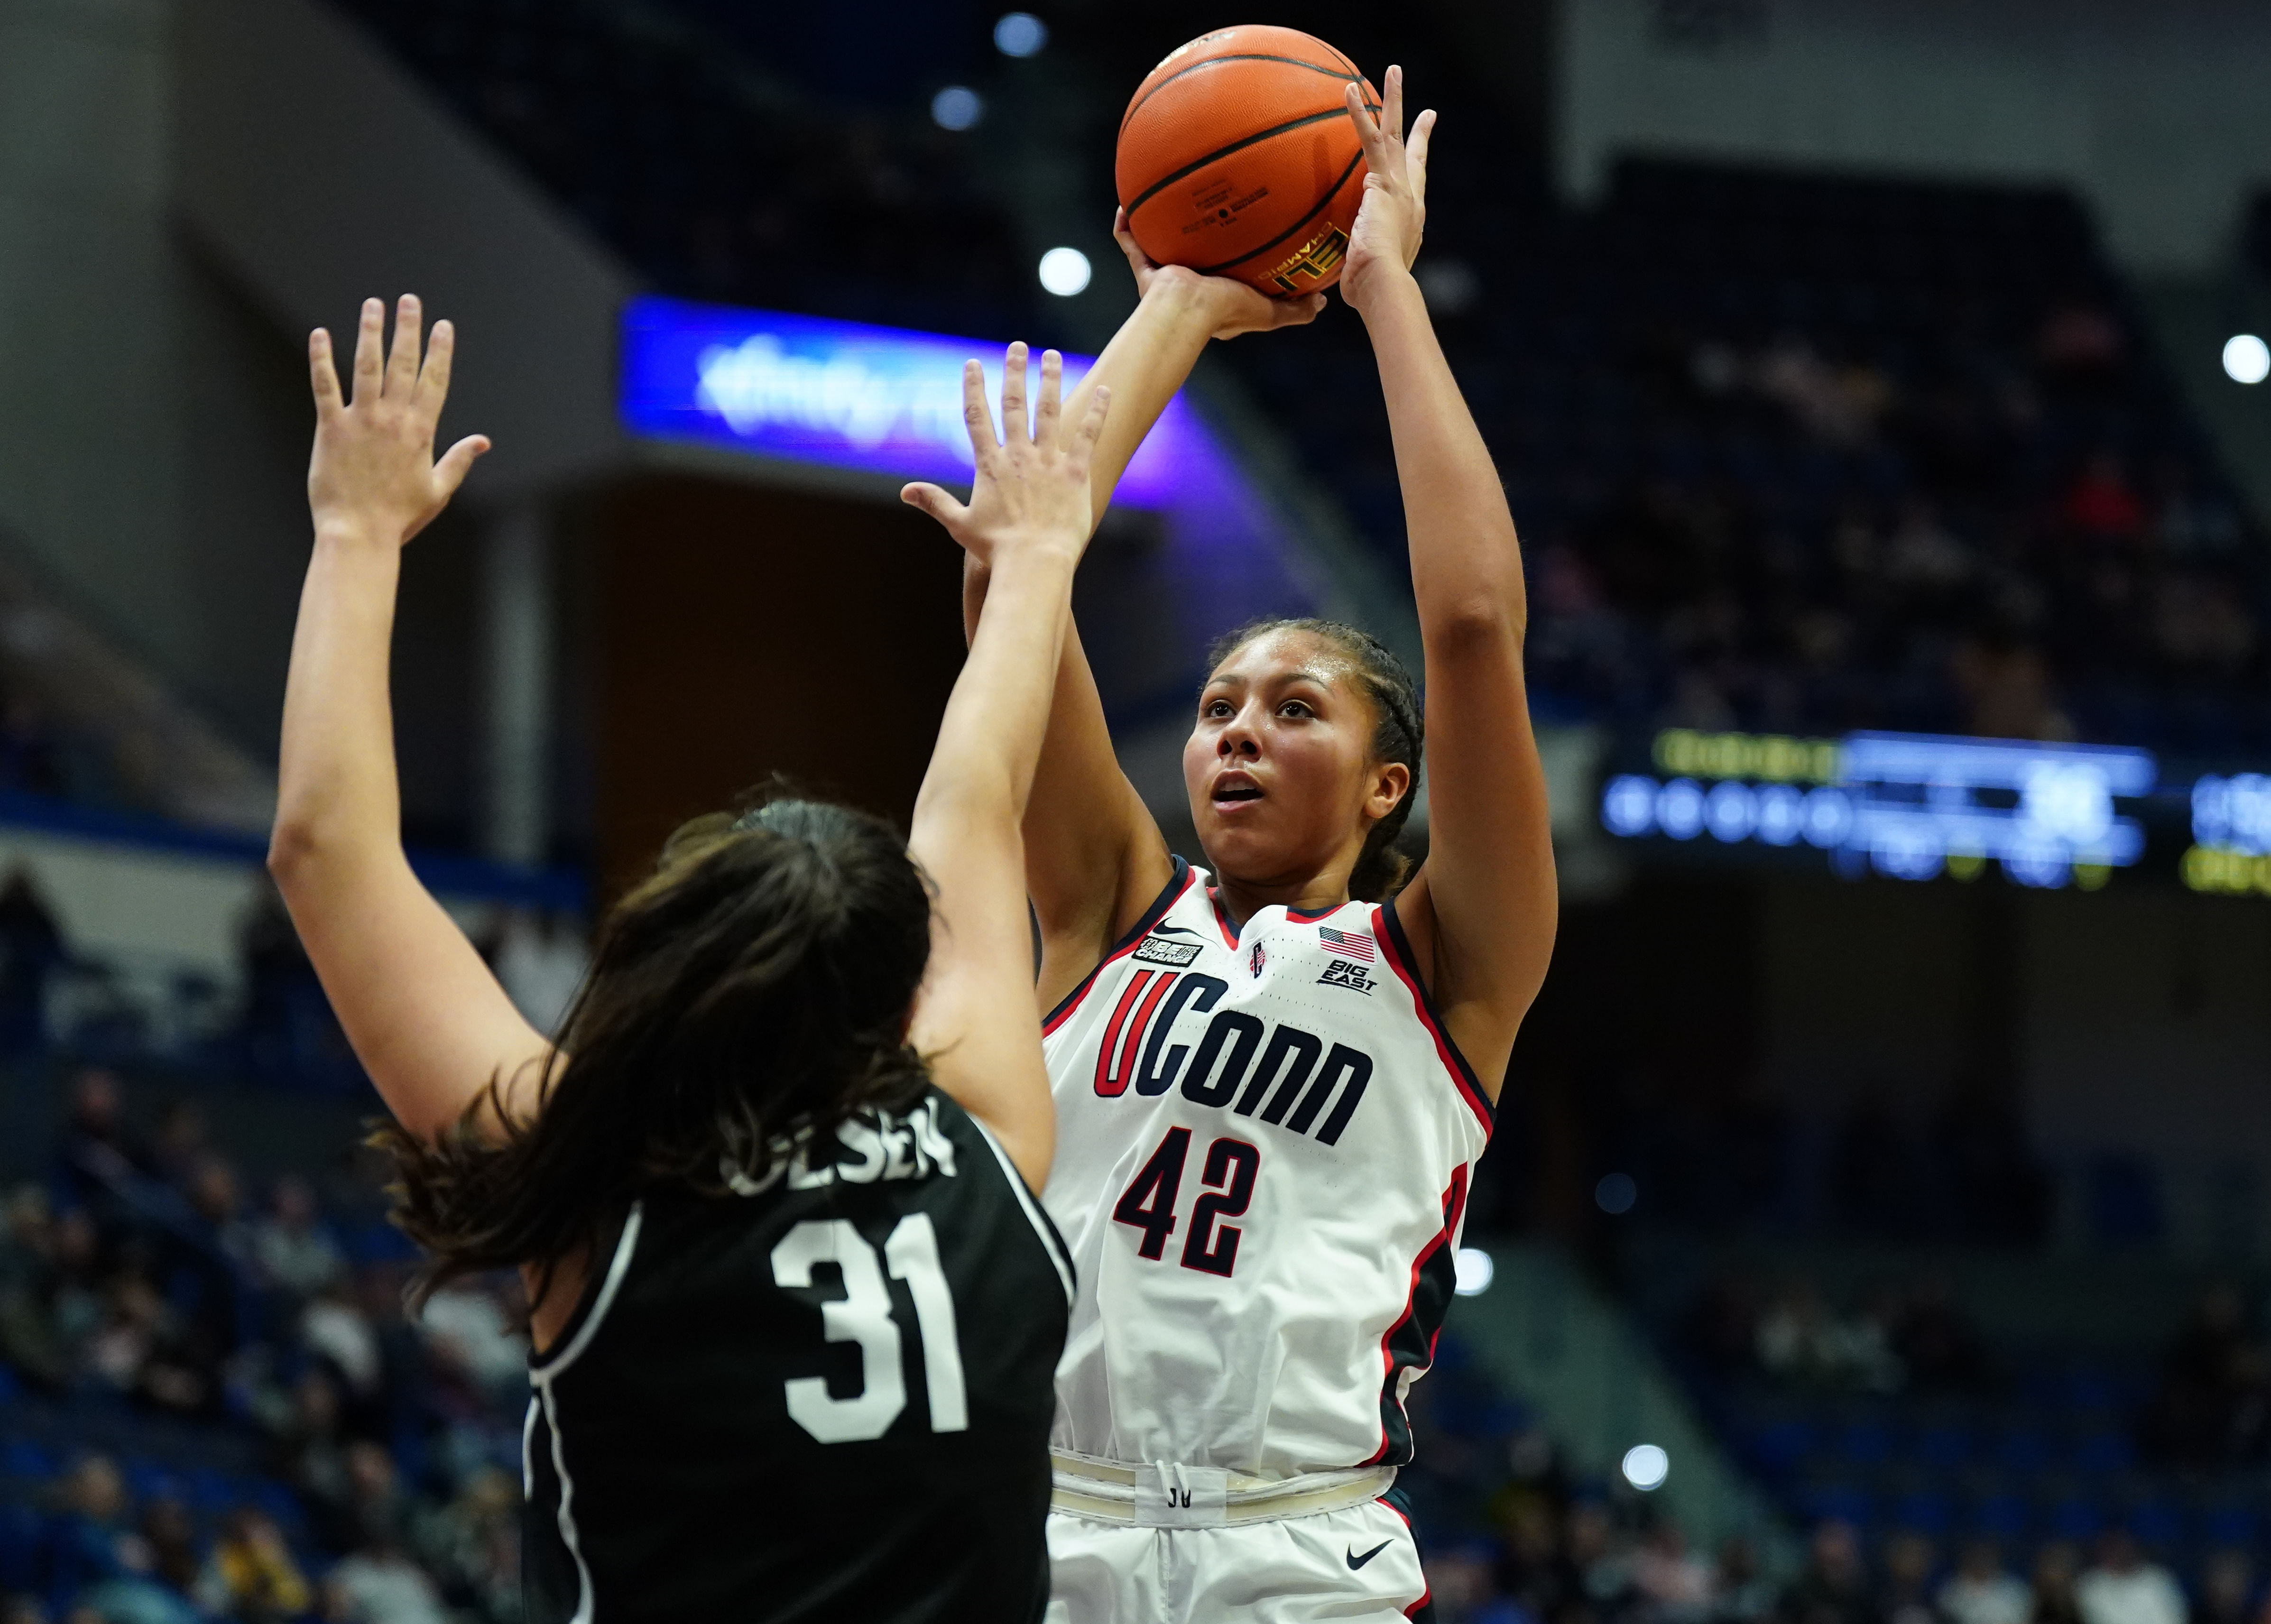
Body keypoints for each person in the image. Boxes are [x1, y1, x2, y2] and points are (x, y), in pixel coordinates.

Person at [267, 295, 1105, 1620]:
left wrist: (355, 534)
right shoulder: (988, 1135)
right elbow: (974, 807)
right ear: (903, 993)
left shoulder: (588, 1181)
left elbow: (327, 852)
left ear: (667, 955)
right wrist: (1040, 555)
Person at [920, 66, 1555, 1621]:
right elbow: (1023, 585)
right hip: (1044, 1529)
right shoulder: (1109, 909)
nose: (1239, 731)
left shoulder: (1449, 969)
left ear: (1390, 783)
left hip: (1298, 1554)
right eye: (1214, 707)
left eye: (1294, 707)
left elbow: (1469, 626)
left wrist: (1379, 287)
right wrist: (1186, 309)